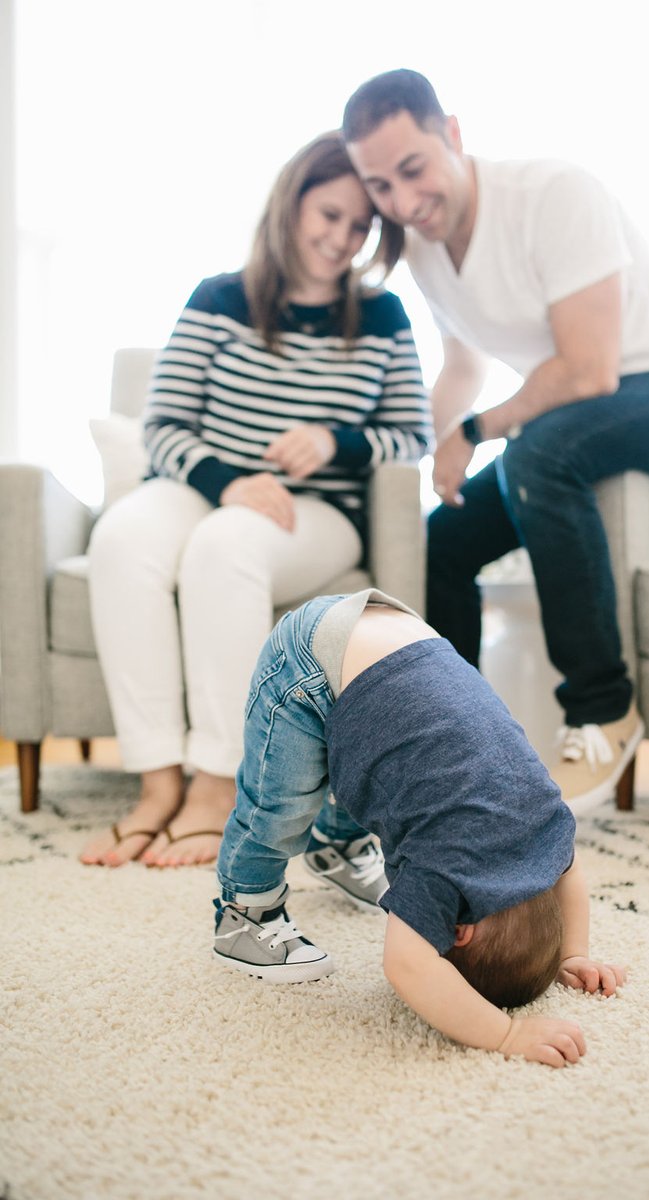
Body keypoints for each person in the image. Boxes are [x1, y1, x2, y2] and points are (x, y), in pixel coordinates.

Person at [341, 69, 649, 810]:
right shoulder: (425, 250)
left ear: (453, 135)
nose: (402, 202)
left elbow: (589, 370)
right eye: (380, 187)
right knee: (443, 541)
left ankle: (602, 709)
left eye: (413, 170)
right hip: (584, 421)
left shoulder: (555, 194)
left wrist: (474, 431)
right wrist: (416, 458)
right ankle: (460, 747)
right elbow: (464, 364)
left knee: (535, 454)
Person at [80, 130, 431, 869]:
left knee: (227, 544)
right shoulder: (219, 298)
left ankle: (219, 786)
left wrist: (337, 440)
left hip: (314, 514)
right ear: (292, 202)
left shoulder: (383, 317)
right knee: (120, 539)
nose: (342, 239)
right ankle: (156, 784)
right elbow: (163, 426)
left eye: (360, 226)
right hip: (206, 488)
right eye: (329, 215)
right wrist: (229, 480)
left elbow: (412, 434)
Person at [213, 590, 626, 1065]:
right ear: (457, 932)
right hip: (310, 657)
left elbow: (569, 872)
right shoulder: (445, 872)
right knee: (278, 807)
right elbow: (407, 967)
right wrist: (507, 1035)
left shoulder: (544, 823)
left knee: (388, 775)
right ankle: (245, 909)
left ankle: (340, 847)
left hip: (407, 640)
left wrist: (573, 954)